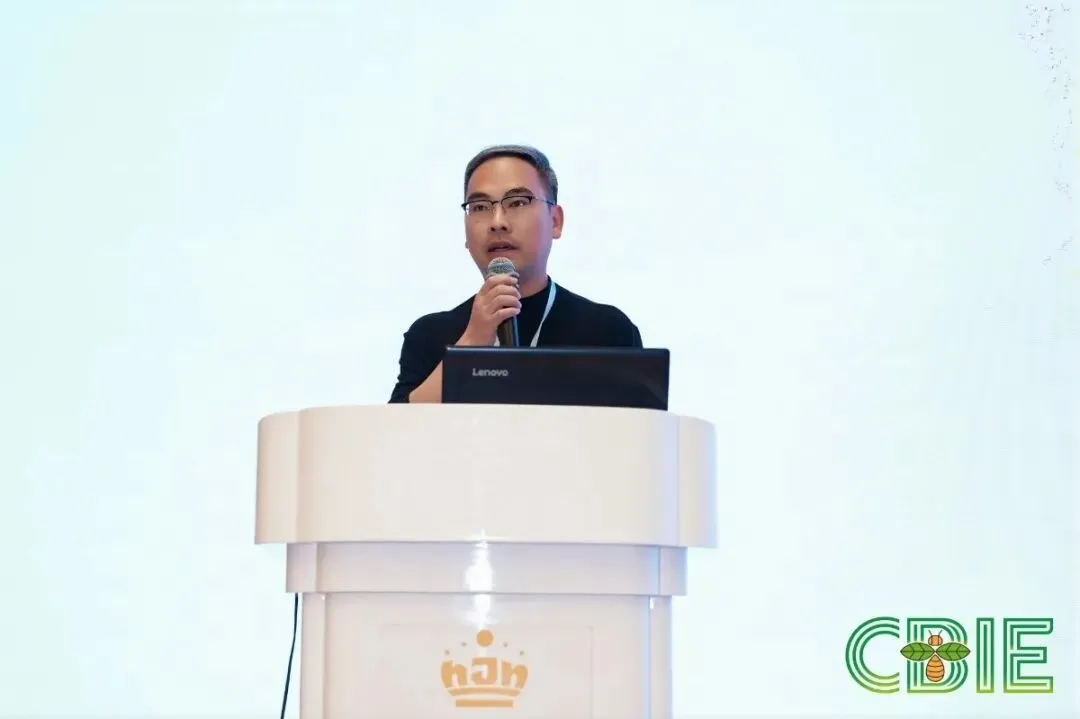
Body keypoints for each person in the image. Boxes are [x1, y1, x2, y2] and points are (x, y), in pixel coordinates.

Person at [388, 144, 643, 404]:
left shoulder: (607, 333)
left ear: (555, 221)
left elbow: (641, 427)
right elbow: (395, 426)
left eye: (518, 202)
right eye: (479, 207)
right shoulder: (429, 337)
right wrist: (471, 342)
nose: (497, 222)